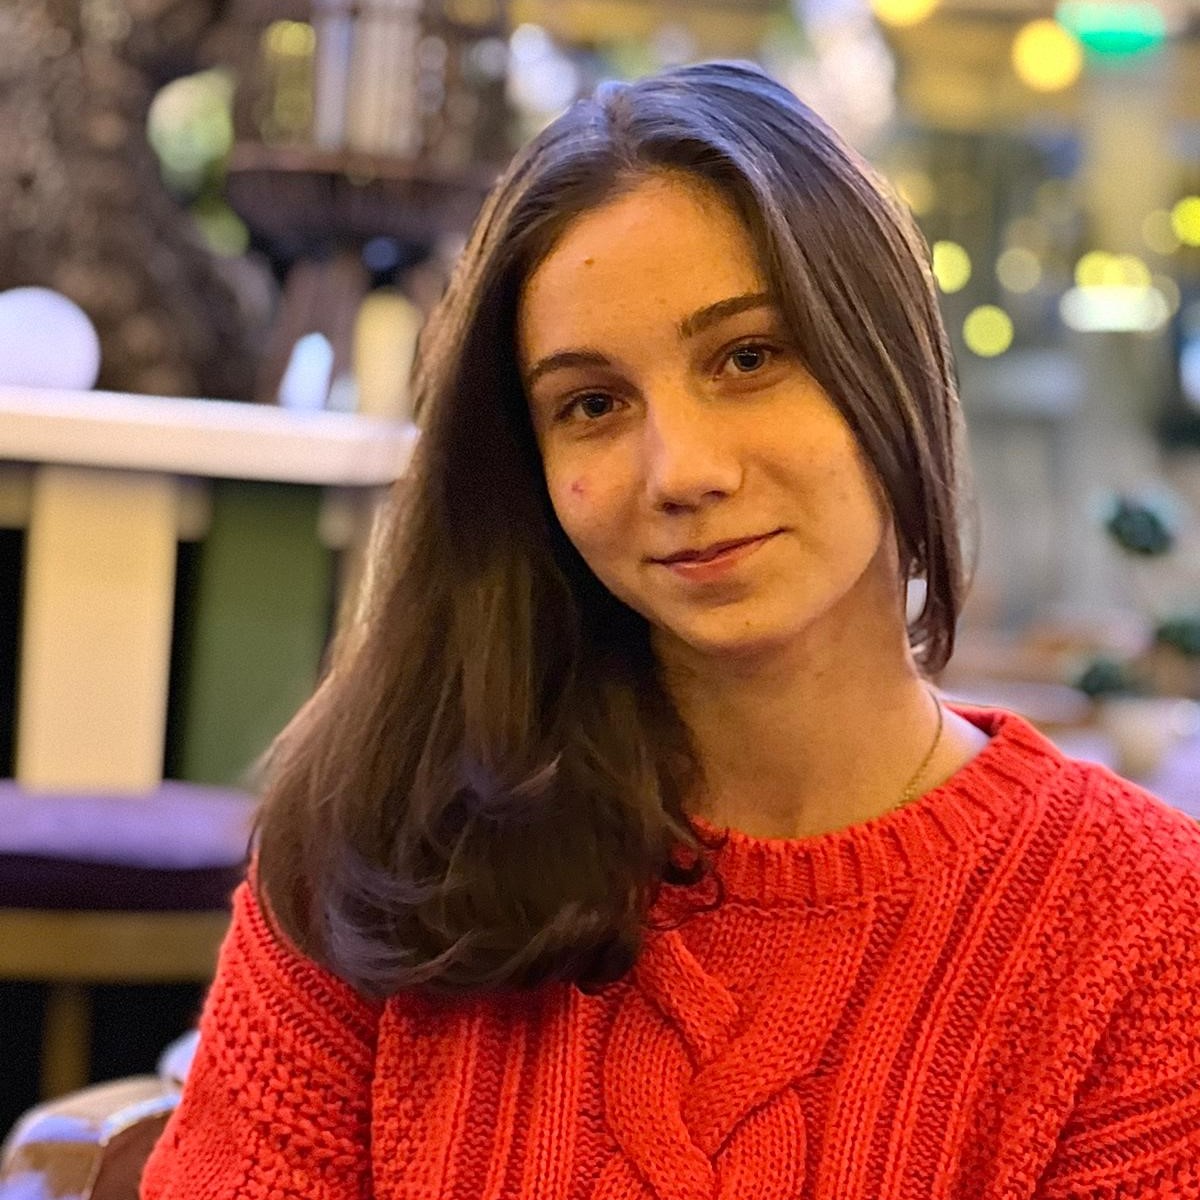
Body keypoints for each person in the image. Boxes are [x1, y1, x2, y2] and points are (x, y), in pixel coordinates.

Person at [141, 61, 1200, 1200]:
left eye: (749, 357)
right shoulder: (385, 846)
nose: (682, 471)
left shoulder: (1143, 927)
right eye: (592, 404)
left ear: (885, 362)